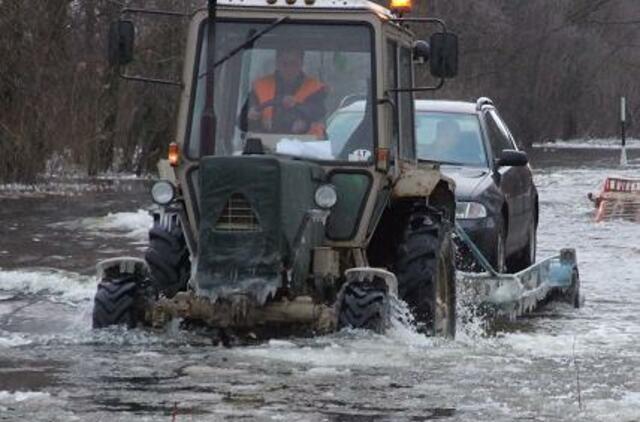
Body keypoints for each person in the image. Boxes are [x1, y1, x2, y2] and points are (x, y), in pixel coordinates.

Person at [240, 49, 328, 138]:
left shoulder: (316, 88)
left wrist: (303, 119)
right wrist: (251, 115)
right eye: (284, 63)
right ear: (277, 64)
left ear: (301, 64)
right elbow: (242, 122)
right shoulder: (260, 86)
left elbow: (318, 111)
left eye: (294, 63)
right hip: (265, 146)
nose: (289, 68)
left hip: (305, 146)